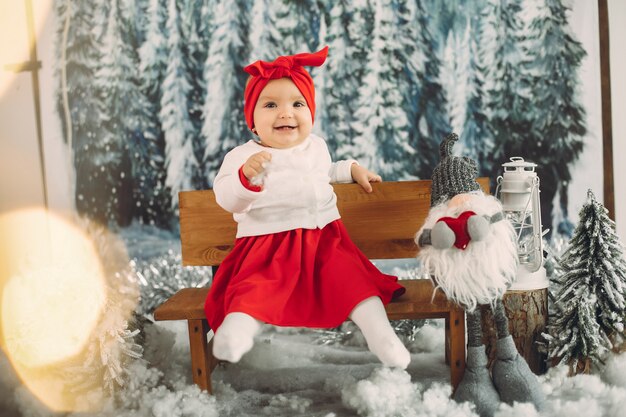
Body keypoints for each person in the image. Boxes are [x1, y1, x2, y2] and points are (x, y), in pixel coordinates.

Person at [204, 46, 410, 369]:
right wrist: (246, 178)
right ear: (253, 121)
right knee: (253, 295)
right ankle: (236, 332)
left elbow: (324, 171)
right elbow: (226, 197)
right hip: (266, 251)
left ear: (310, 114)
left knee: (356, 286)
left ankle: (382, 336)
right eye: (271, 105)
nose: (286, 113)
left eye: (297, 104)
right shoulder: (242, 156)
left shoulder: (316, 147)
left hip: (325, 243)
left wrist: (351, 170)